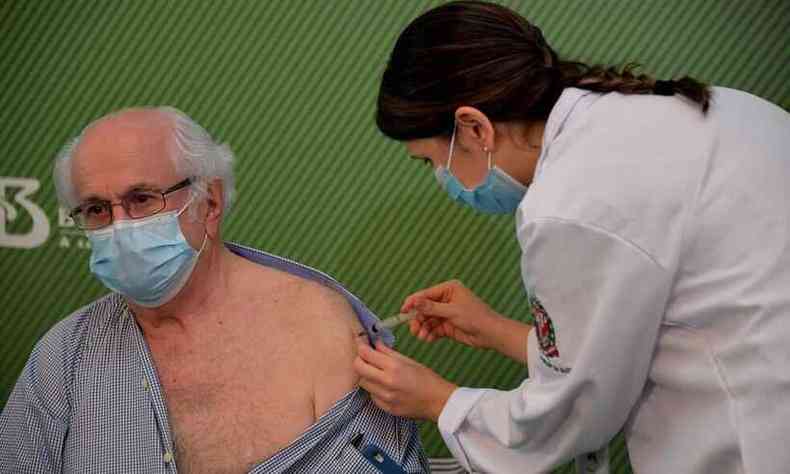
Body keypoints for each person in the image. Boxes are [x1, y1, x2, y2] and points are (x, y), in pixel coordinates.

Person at [353, 1, 790, 473]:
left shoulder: (570, 207)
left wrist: (439, 401)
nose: (441, 177)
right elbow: (620, 351)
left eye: (431, 161)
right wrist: (494, 329)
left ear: (474, 127)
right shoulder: (698, 109)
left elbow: (573, 414)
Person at [0, 107, 429, 473]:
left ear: (210, 201)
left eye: (143, 199)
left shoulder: (321, 328)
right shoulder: (65, 357)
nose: (121, 226)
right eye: (96, 209)